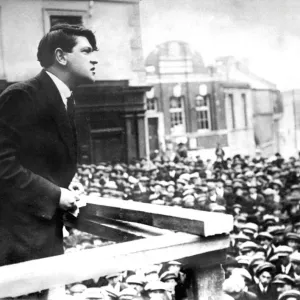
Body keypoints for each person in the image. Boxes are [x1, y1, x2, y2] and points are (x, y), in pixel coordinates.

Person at [0, 23, 98, 296]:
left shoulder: (65, 98)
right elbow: (2, 165)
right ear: (61, 56)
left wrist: (67, 183)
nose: (95, 58)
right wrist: (56, 194)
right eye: (87, 50)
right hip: (17, 244)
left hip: (41, 238)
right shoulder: (21, 96)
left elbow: (33, 160)